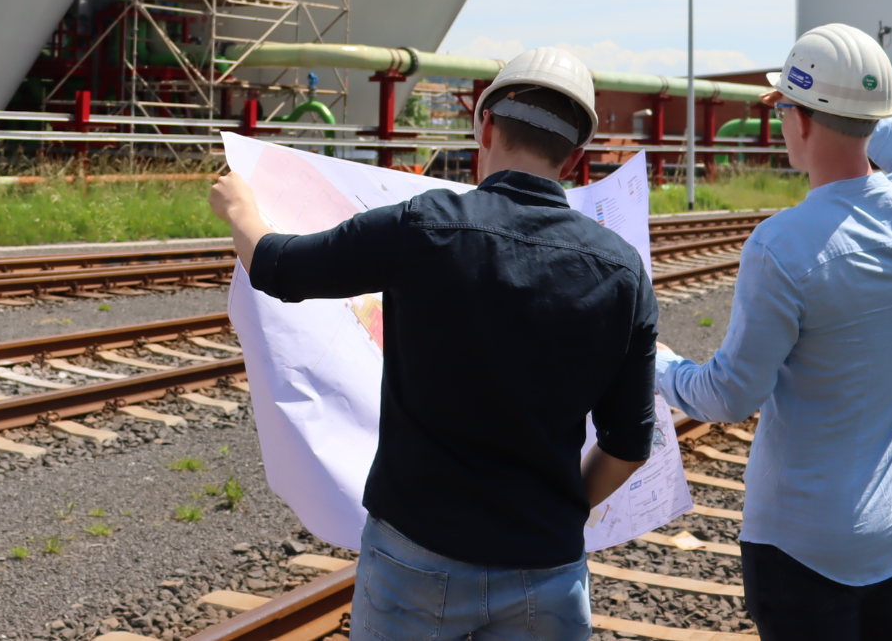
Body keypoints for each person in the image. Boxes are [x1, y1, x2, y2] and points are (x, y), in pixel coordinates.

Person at [209, 47, 657, 641]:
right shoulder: (622, 272)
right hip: (545, 566)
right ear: (575, 159)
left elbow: (281, 267)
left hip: (415, 554)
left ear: (486, 126)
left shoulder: (424, 225)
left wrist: (241, 208)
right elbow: (628, 445)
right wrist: (555, 508)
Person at [655, 22, 892, 640]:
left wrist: (655, 365)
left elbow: (730, 395)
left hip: (806, 545)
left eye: (785, 107)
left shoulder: (784, 244)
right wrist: (858, 96)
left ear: (802, 119)